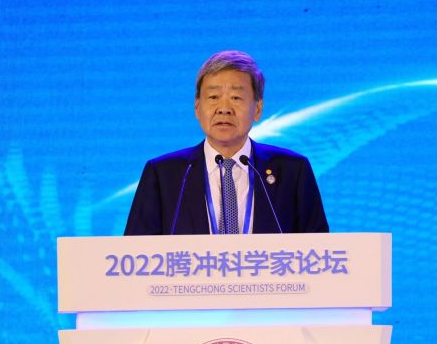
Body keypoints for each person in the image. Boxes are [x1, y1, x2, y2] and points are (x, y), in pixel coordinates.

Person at [124, 50, 328, 235]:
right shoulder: (163, 175)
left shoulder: (293, 171)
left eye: (236, 98)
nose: (224, 109)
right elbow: (134, 253)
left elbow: (320, 250)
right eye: (213, 97)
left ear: (257, 109)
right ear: (197, 108)